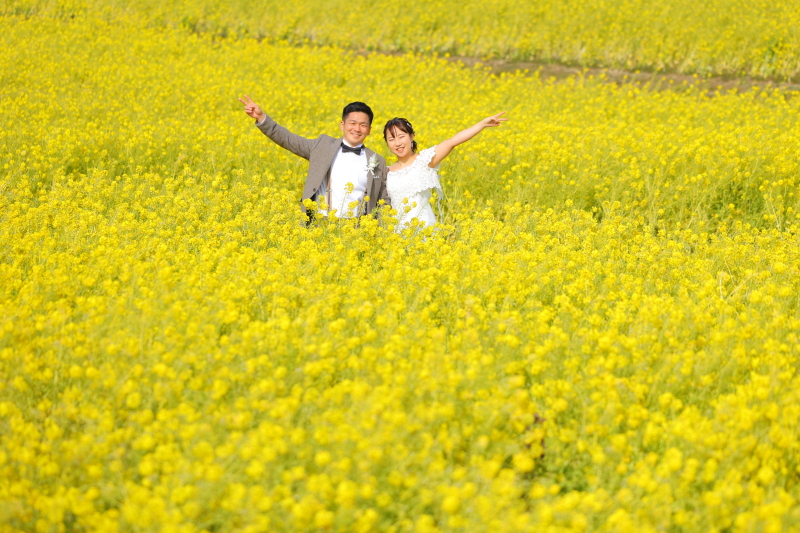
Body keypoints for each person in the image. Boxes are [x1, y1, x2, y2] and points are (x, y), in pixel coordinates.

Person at [239, 96, 390, 220]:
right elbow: (289, 140)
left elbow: (383, 200)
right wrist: (262, 118)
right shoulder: (322, 146)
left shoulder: (377, 161)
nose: (357, 129)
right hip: (320, 223)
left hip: (357, 230)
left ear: (369, 130)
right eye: (353, 123)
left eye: (363, 125)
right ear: (342, 125)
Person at [383, 113, 507, 230]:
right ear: (387, 143)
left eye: (401, 136)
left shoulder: (424, 161)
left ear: (411, 136)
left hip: (424, 230)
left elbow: (452, 142)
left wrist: (482, 124)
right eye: (391, 139)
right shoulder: (385, 171)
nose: (397, 143)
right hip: (396, 235)